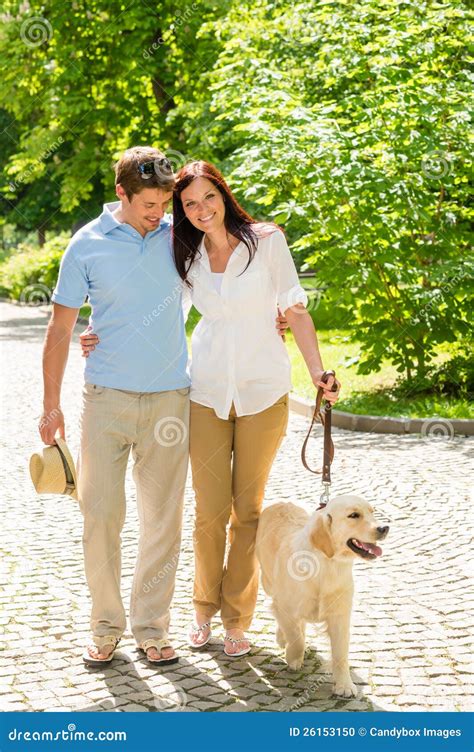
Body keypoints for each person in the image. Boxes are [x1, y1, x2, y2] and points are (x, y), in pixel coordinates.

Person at [81, 160, 340, 657]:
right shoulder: (185, 251)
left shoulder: (266, 242)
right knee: (208, 511)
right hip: (204, 392)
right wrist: (100, 334)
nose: (201, 210)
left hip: (264, 392)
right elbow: (153, 308)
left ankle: (237, 621)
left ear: (224, 194)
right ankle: (202, 612)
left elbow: (295, 309)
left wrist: (318, 373)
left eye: (208, 198)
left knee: (249, 511)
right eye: (190, 204)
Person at [39, 146, 191, 666]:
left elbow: (229, 282)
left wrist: (278, 318)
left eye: (163, 204)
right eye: (148, 204)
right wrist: (50, 405)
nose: (158, 214)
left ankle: (152, 626)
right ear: (121, 194)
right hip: (104, 400)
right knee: (100, 516)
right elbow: (60, 328)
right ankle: (105, 626)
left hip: (171, 397)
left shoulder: (180, 234)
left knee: (163, 520)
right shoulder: (86, 245)